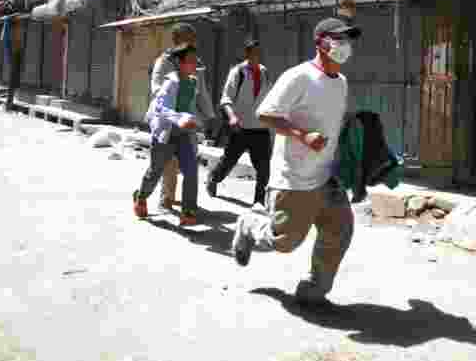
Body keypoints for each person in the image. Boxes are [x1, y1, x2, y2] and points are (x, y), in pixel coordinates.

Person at [230, 17, 361, 306]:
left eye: (347, 39)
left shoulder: (340, 82)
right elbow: (266, 113)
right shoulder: (299, 76)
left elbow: (330, 123)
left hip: (326, 177)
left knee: (340, 230)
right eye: (337, 39)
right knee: (285, 242)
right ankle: (250, 225)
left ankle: (313, 290)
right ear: (320, 43)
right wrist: (302, 135)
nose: (344, 45)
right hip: (294, 179)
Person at [134, 44, 203, 227]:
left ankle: (188, 211)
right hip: (165, 132)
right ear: (179, 63)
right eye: (190, 60)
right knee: (155, 171)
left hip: (184, 134)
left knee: (191, 171)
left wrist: (195, 122)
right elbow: (161, 108)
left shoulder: (193, 81)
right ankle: (141, 197)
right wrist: (180, 120)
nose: (194, 63)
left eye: (195, 60)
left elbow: (188, 106)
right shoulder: (171, 82)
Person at [149, 23, 216, 210]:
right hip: (168, 121)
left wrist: (209, 116)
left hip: (188, 121)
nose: (193, 42)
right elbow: (156, 88)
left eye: (194, 39)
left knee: (188, 162)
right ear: (176, 40)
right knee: (168, 162)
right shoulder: (164, 61)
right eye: (189, 38)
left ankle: (187, 205)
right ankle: (166, 198)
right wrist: (169, 109)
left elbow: (202, 92)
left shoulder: (196, 62)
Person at [205, 37, 272, 209]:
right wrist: (232, 117)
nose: (257, 55)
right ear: (247, 54)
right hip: (240, 128)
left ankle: (259, 203)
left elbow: (269, 96)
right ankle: (214, 178)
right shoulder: (238, 72)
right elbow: (225, 99)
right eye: (254, 52)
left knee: (264, 169)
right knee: (229, 161)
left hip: (260, 128)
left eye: (259, 52)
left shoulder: (264, 72)